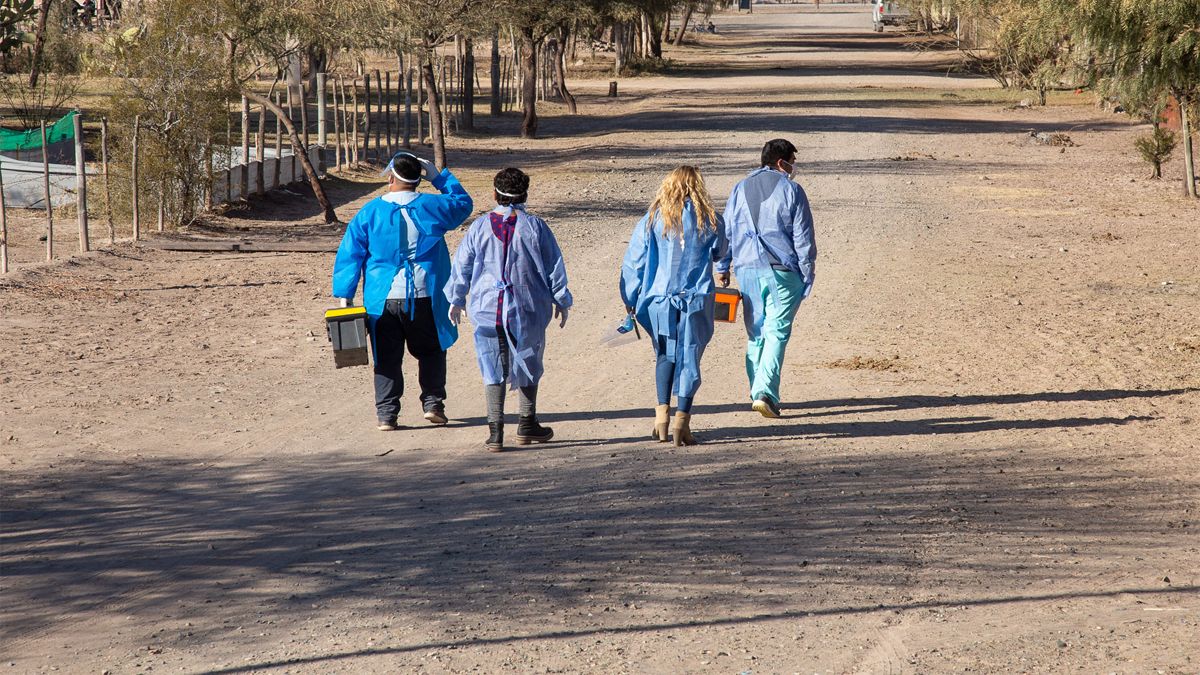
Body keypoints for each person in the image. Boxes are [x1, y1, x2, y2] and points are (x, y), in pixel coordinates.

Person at [332, 151, 473, 431]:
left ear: (391, 177)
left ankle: (387, 414)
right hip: (427, 294)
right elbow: (463, 204)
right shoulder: (434, 205)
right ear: (418, 178)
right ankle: (433, 404)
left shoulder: (369, 211)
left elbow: (351, 254)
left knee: (386, 357)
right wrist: (438, 176)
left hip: (382, 299)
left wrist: (344, 295)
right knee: (432, 351)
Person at [446, 168, 572, 452]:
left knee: (492, 365)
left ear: (494, 193)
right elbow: (554, 266)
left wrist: (456, 298)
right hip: (527, 308)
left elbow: (462, 266)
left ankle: (495, 432)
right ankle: (527, 423)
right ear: (525, 194)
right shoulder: (536, 226)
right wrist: (562, 299)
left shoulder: (478, 227)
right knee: (529, 359)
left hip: (486, 308)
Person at [621, 166, 727, 446]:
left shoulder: (652, 218)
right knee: (690, 355)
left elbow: (634, 262)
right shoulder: (712, 219)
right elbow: (721, 252)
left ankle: (661, 421)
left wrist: (630, 299)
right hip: (696, 298)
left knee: (665, 354)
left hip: (659, 299)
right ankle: (683, 421)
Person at [717, 139, 817, 419]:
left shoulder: (739, 189)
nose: (794, 167)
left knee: (756, 333)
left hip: (746, 269)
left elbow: (727, 230)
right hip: (783, 272)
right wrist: (807, 274)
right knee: (777, 331)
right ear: (782, 162)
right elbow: (803, 238)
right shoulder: (792, 190)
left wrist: (723, 266)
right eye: (792, 162)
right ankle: (765, 393)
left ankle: (757, 390)